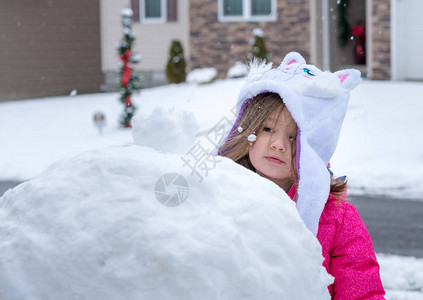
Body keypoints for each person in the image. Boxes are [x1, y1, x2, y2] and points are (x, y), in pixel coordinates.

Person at [218, 52, 385, 299]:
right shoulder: (220, 196)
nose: (278, 145)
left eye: (294, 137)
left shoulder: (339, 221)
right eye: (267, 129)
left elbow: (362, 292)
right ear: (247, 129)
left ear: (315, 147)